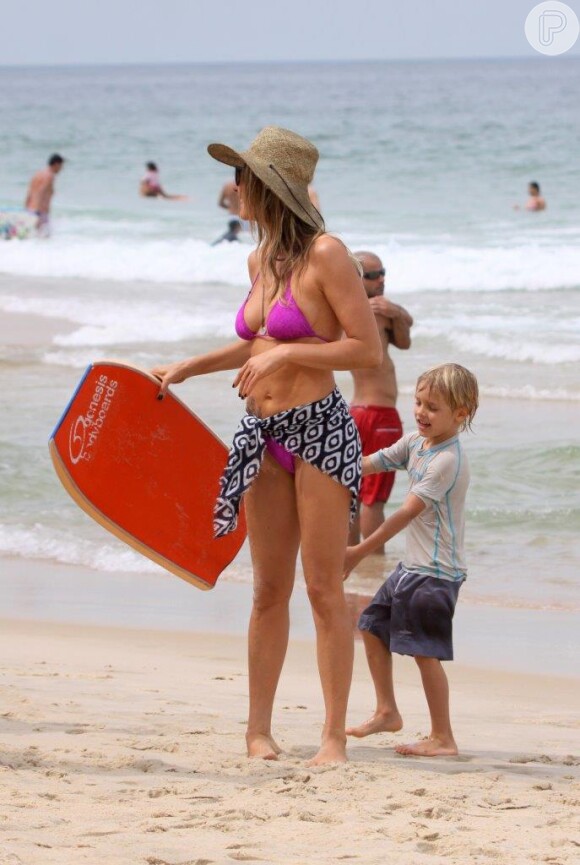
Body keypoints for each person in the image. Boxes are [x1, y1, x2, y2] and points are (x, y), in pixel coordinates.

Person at [152, 126, 381, 765]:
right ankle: (259, 730)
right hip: (261, 434)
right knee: (266, 591)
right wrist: (187, 367)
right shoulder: (260, 262)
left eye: (244, 177)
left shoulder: (327, 254)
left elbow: (366, 348)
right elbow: (252, 343)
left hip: (318, 433)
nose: (235, 188)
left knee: (323, 589)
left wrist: (286, 351)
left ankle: (333, 737)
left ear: (270, 187)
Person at [344, 363, 479, 757]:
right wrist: (334, 469)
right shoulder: (418, 443)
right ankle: (387, 711)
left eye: (432, 407)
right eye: (418, 402)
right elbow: (378, 460)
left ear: (460, 414)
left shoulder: (447, 462)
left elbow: (404, 514)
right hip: (412, 569)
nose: (421, 412)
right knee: (370, 626)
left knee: (425, 653)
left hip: (436, 574)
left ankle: (443, 737)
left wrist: (357, 551)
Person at [349, 251, 413, 552]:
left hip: (355, 412)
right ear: (355, 278)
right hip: (380, 415)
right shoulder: (372, 311)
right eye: (373, 275)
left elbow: (404, 342)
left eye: (382, 272)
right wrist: (396, 311)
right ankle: (372, 567)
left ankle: (346, 564)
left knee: (353, 496)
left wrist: (395, 311)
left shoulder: (345, 308)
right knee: (373, 500)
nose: (381, 279)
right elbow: (406, 330)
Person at [24, 153, 65, 235]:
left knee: (34, 237)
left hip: (30, 209)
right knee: (45, 238)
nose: (61, 169)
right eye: (61, 166)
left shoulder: (38, 174)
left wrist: (25, 209)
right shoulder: (50, 176)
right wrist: (38, 214)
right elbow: (41, 192)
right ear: (56, 164)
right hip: (40, 212)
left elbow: (30, 192)